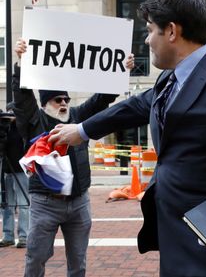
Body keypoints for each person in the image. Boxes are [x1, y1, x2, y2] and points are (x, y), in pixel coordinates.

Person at [48, 0, 206, 276]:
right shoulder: (168, 80)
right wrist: (82, 130)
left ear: (171, 31)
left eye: (148, 30)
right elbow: (135, 106)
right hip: (175, 237)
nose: (146, 41)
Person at [13, 38, 133, 276]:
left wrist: (121, 71)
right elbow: (22, 98)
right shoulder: (35, 120)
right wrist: (20, 63)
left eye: (66, 99)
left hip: (79, 203)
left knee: (78, 263)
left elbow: (101, 100)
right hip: (45, 204)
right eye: (58, 100)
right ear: (46, 103)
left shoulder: (78, 116)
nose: (64, 103)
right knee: (35, 259)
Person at [0, 102, 30, 248]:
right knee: (7, 205)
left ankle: (24, 236)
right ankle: (8, 236)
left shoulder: (22, 128)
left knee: (24, 204)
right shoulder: (3, 128)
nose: (10, 115)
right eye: (8, 112)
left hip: (20, 170)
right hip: (7, 170)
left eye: (13, 112)